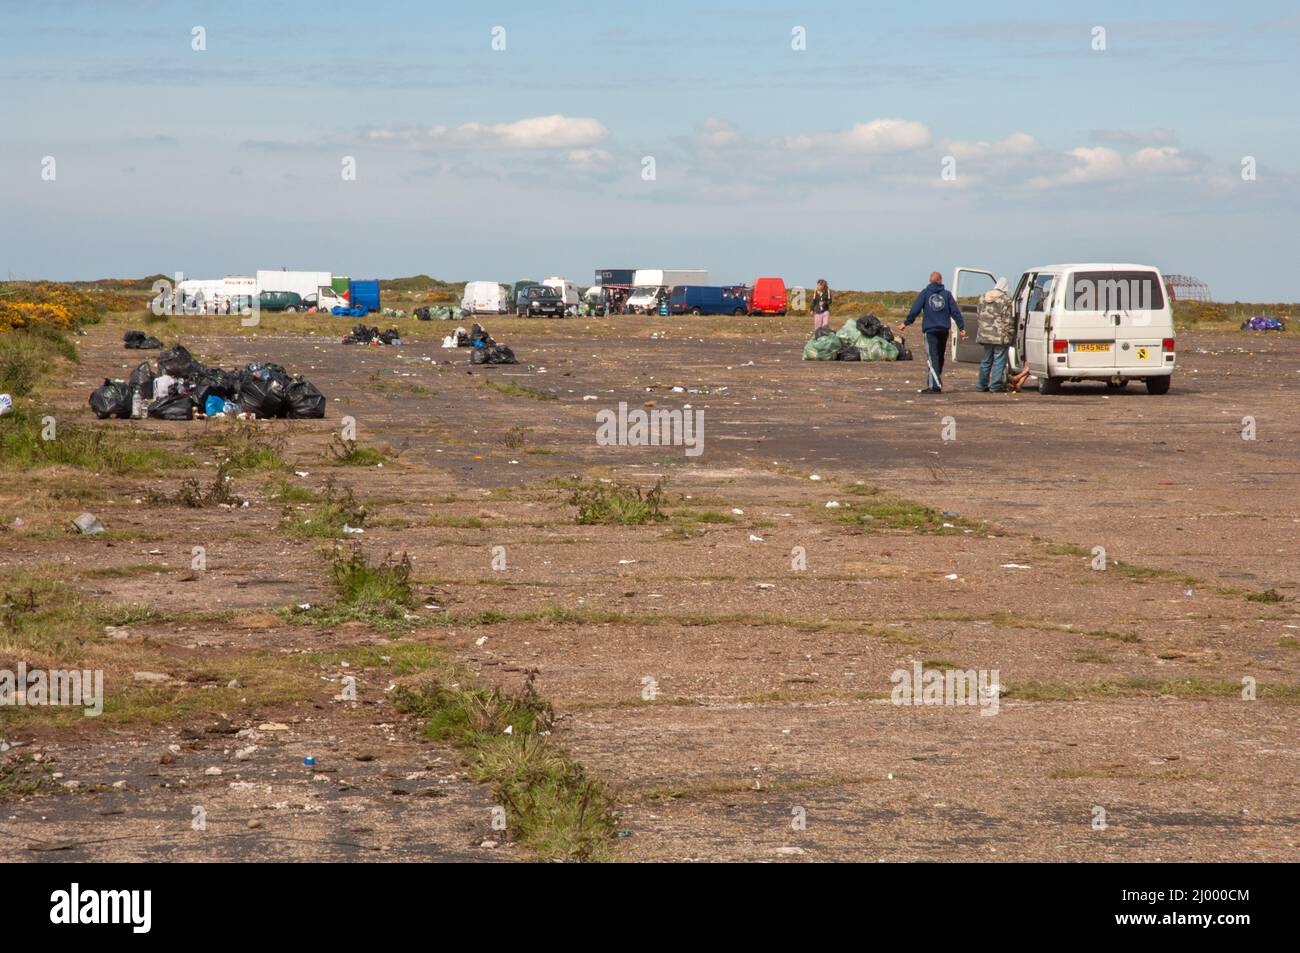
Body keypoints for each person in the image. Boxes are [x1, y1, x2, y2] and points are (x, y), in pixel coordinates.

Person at [900, 271, 966, 394]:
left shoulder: (925, 293)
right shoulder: (947, 295)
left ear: (930, 281)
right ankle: (936, 382)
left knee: (933, 357)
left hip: (930, 331)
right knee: (939, 357)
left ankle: (935, 386)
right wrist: (961, 327)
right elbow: (955, 312)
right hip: (943, 330)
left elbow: (915, 309)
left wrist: (906, 322)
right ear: (940, 280)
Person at [975, 277, 1014, 392]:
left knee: (986, 360)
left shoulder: (983, 297)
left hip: (985, 335)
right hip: (999, 335)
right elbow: (1008, 320)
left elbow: (979, 315)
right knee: (999, 360)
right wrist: (1010, 335)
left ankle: (981, 385)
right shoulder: (1006, 300)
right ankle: (995, 385)